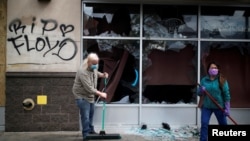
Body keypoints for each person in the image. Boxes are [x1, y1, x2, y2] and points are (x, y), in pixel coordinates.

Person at [72, 52, 108, 141]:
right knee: (86, 116)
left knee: (91, 114)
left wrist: (102, 75)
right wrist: (100, 93)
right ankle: (86, 134)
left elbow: (95, 72)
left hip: (90, 96)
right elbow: (89, 88)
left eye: (97, 64)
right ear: (88, 62)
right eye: (94, 64)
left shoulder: (93, 66)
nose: (96, 65)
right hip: (82, 96)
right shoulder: (83, 72)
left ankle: (91, 131)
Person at [198, 61, 231, 141]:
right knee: (204, 124)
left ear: (218, 69)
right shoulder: (204, 80)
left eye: (215, 68)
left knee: (223, 125)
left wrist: (227, 107)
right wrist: (201, 90)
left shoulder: (222, 80)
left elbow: (226, 94)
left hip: (219, 106)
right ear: (208, 70)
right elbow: (199, 93)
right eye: (212, 68)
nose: (214, 69)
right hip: (207, 106)